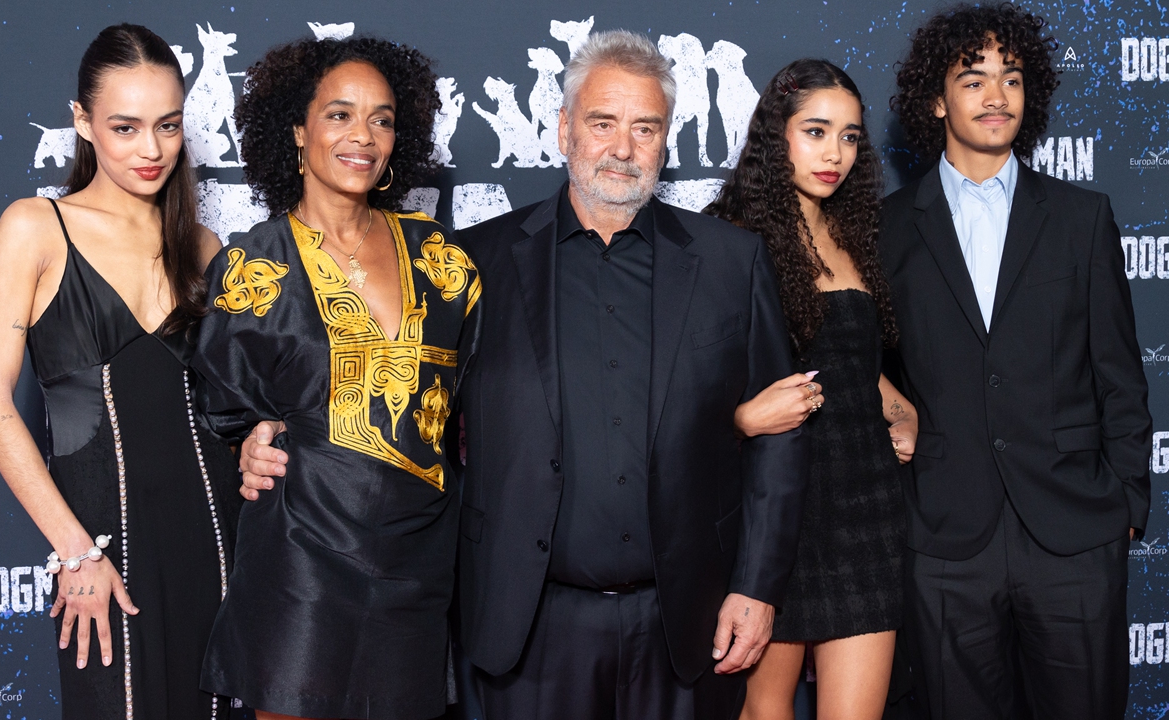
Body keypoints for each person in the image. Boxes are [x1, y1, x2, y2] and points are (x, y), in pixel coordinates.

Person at [455, 29, 802, 719]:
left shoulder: (730, 263)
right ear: (563, 130)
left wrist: (756, 589)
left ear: (666, 141)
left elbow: (780, 435)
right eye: (603, 123)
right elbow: (411, 410)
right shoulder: (477, 261)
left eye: (645, 128)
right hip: (525, 632)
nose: (622, 147)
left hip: (683, 627)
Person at [191, 35, 479, 720]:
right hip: (302, 562)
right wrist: (248, 445)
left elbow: (478, 398)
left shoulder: (444, 260)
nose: (364, 136)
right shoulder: (251, 269)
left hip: (419, 562)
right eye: (340, 115)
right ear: (297, 130)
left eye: (381, 118)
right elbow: (226, 409)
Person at [882, 4, 1152, 718]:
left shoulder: (1080, 217)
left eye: (1011, 78)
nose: (996, 95)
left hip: (1073, 532)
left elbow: (1120, 374)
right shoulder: (886, 230)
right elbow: (857, 362)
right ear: (936, 98)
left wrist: (1126, 503)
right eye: (973, 79)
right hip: (944, 536)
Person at [0, 23, 241, 720]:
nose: (150, 150)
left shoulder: (205, 247)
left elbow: (241, 397)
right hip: (103, 549)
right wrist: (75, 551)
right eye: (125, 127)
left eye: (168, 126)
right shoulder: (34, 226)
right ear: (82, 123)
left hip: (216, 541)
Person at [706, 58, 916, 720]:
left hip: (866, 509)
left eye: (851, 136)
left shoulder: (858, 233)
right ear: (777, 134)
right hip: (777, 515)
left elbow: (852, 363)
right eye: (817, 131)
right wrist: (740, 419)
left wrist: (902, 411)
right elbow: (681, 394)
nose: (835, 154)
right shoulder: (727, 241)